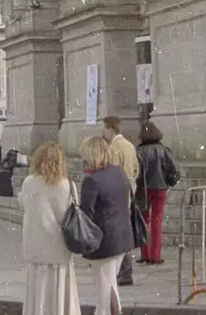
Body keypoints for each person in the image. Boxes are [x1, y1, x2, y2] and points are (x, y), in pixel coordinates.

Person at [19, 141, 82, 315]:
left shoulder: (29, 182)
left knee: (36, 289)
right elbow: (66, 214)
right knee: (59, 287)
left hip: (35, 243)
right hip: (58, 245)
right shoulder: (65, 185)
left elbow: (23, 200)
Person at [79, 135, 132, 315]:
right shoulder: (119, 172)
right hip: (122, 237)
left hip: (103, 242)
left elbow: (86, 214)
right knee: (110, 286)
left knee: (104, 290)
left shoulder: (91, 180)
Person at [100, 116, 138, 286]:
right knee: (123, 233)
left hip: (116, 197)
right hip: (128, 195)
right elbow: (136, 168)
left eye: (104, 128)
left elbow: (111, 173)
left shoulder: (114, 148)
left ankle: (123, 271)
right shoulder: (129, 145)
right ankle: (125, 271)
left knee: (117, 236)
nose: (103, 132)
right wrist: (131, 184)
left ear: (110, 128)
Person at [134, 121, 178, 266]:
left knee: (144, 221)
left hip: (143, 189)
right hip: (160, 188)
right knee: (157, 221)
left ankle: (145, 254)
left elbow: (136, 172)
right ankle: (155, 255)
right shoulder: (164, 150)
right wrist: (168, 181)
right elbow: (175, 171)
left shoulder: (138, 151)